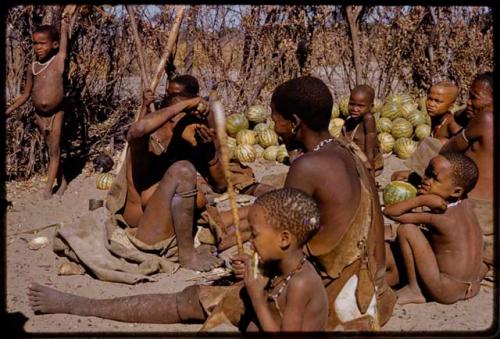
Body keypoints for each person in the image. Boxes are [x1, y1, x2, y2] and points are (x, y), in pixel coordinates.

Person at [28, 76, 395, 331]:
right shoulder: (350, 153)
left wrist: (250, 270)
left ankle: (78, 305)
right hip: (369, 292)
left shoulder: (307, 166)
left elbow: (287, 242)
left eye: (277, 120)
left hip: (328, 300)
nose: (273, 125)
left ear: (296, 123)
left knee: (194, 299)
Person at [29, 188, 329, 332]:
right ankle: (81, 305)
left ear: (285, 239)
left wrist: (255, 295)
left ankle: (80, 305)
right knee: (190, 299)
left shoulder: (302, 284)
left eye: (256, 234)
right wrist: (252, 274)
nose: (250, 240)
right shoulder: (288, 268)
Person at [115, 88, 226, 272]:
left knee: (250, 215)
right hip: (146, 233)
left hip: (173, 228)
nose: (201, 126)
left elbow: (221, 186)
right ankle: (187, 256)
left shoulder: (182, 146)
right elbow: (137, 129)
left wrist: (210, 153)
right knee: (183, 170)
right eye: (195, 120)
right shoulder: (145, 145)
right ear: (175, 118)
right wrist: (183, 105)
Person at [384, 152, 487, 305]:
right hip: (472, 286)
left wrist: (422, 200)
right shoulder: (465, 202)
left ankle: (415, 288)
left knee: (407, 229)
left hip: (444, 290)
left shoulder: (441, 217)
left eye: (434, 178)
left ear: (456, 191)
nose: (426, 180)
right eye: (427, 173)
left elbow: (390, 212)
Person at [6, 6, 77, 199]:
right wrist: (10, 109)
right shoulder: (33, 68)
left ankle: (48, 187)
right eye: (35, 44)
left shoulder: (58, 61)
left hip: (56, 115)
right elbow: (25, 95)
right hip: (40, 116)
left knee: (54, 150)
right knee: (51, 150)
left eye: (43, 44)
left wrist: (64, 25)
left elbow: (64, 45)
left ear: (53, 45)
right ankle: (62, 181)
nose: (38, 47)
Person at [439, 72, 494, 277]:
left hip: (476, 209)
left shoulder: (486, 119)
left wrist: (456, 122)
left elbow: (448, 149)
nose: (468, 102)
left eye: (474, 97)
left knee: (434, 148)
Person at [390, 81, 462, 183]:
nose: (431, 104)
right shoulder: (436, 119)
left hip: (444, 174)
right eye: (429, 99)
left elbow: (461, 151)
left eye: (437, 101)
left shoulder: (452, 124)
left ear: (451, 105)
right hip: (429, 170)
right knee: (396, 176)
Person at [341, 84, 383, 176]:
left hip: (367, 165)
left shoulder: (368, 119)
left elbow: (370, 153)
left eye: (360, 106)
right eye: (351, 104)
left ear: (371, 107)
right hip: (354, 161)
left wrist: (370, 178)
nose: (355, 109)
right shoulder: (349, 121)